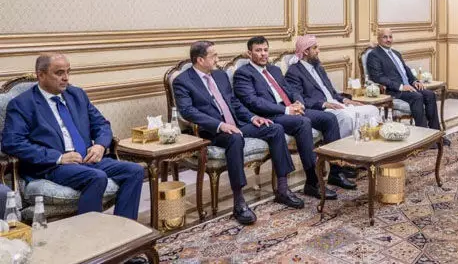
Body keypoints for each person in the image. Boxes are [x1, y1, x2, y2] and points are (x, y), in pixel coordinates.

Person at [173, 41, 303, 225]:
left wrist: (252, 117)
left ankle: (282, 189)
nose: (218, 60)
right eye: (214, 56)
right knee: (235, 139)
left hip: (237, 124)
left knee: (275, 128)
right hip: (211, 131)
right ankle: (239, 201)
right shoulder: (183, 81)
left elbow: (234, 102)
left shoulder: (220, 75)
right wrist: (220, 125)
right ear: (200, 60)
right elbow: (188, 111)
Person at [2, 54, 143, 219]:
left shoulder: (77, 95)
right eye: (59, 73)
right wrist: (59, 158)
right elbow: (13, 142)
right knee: (96, 177)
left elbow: (101, 124)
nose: (66, 78)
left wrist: (100, 145)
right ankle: (88, 231)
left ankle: (124, 227)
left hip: (87, 158)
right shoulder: (22, 104)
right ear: (41, 75)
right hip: (53, 166)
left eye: (68, 72)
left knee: (135, 170)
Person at [233, 36, 355, 198]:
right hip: (270, 115)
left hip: (290, 109)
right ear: (249, 53)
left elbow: (290, 90)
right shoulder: (243, 74)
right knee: (303, 123)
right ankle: (312, 182)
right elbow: (254, 102)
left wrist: (299, 102)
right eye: (258, 51)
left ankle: (336, 172)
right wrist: (287, 110)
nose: (263, 54)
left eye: (265, 50)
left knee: (329, 119)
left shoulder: (274, 70)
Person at [286, 35, 382, 137]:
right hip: (321, 109)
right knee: (346, 118)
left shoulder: (319, 68)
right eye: (315, 48)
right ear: (306, 51)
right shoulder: (294, 71)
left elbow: (332, 92)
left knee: (372, 110)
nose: (318, 51)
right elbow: (300, 99)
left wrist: (346, 100)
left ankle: (366, 142)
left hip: (336, 103)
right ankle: (343, 146)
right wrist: (323, 104)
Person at [366, 28, 449, 145]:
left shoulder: (396, 53)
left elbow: (406, 70)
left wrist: (414, 81)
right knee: (417, 97)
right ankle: (424, 139)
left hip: (408, 86)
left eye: (390, 37)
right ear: (378, 39)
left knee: (430, 95)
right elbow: (378, 77)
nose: (388, 40)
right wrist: (400, 86)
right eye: (385, 37)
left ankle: (436, 135)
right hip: (393, 90)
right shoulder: (374, 55)